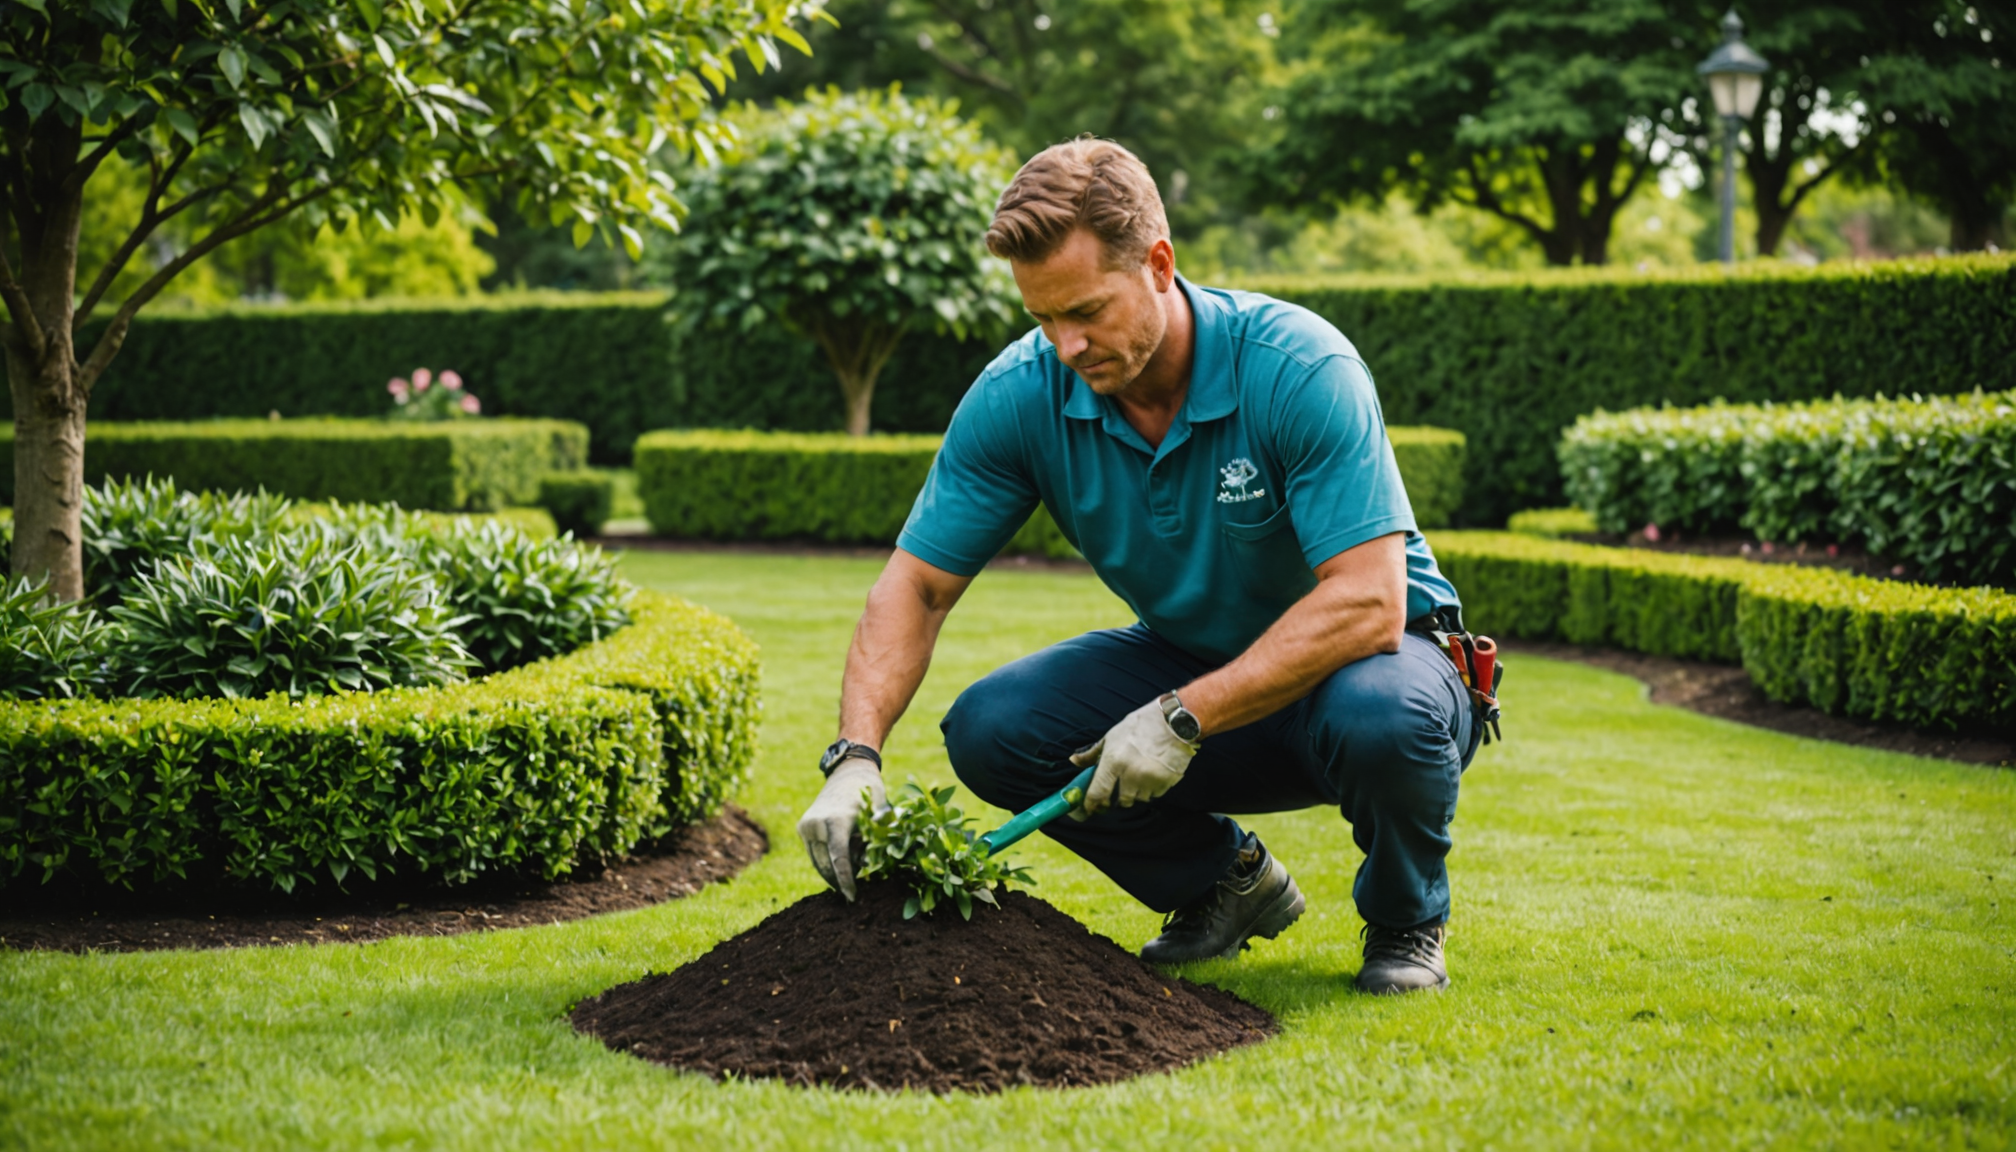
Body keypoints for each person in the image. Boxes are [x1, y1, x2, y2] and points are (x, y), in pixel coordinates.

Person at [797, 138, 1482, 994]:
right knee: (993, 729)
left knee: (1385, 715)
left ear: (1159, 263)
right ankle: (1222, 885)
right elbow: (917, 584)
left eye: (1086, 310)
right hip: (1198, 666)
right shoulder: (1024, 394)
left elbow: (1368, 606)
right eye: (1043, 318)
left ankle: (1406, 920)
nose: (1067, 346)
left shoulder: (1298, 368)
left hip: (1374, 670)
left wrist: (1182, 717)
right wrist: (855, 756)